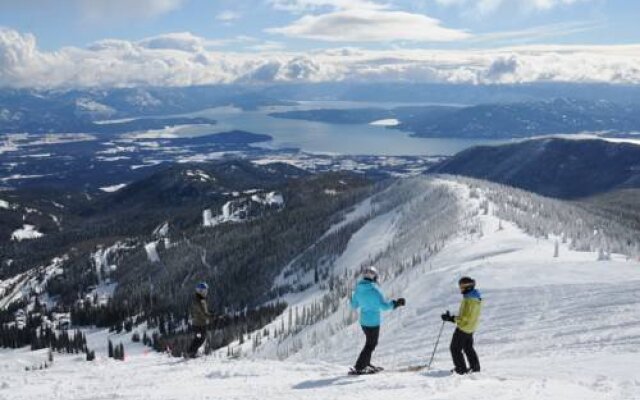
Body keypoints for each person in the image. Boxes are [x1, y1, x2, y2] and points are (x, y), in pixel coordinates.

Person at [350, 266, 405, 374]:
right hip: (373, 323)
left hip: (363, 322)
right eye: (376, 276)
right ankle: (359, 367)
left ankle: (366, 363)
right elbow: (384, 306)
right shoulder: (375, 290)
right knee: (371, 344)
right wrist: (395, 304)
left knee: (369, 343)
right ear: (373, 277)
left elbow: (353, 306)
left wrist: (352, 298)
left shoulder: (358, 289)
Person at [441, 276, 482, 374]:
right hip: (471, 327)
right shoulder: (475, 298)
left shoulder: (469, 301)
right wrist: (452, 318)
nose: (461, 289)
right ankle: (475, 367)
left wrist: (451, 318)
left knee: (455, 348)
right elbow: (468, 316)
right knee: (468, 347)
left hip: (464, 328)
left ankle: (461, 369)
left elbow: (464, 318)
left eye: (462, 287)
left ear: (468, 287)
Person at [187, 282, 213, 358]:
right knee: (200, 338)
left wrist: (209, 314)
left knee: (199, 338)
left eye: (206, 291)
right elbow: (203, 313)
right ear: (200, 291)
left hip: (197, 323)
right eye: (204, 291)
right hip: (200, 324)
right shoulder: (201, 301)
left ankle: (191, 352)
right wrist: (212, 317)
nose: (206, 293)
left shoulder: (198, 299)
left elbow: (202, 312)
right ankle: (191, 353)